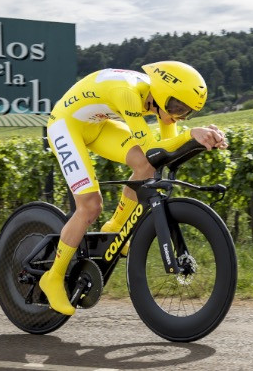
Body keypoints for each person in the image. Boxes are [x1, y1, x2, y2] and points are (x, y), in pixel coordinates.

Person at [40, 61, 228, 315]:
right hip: (66, 124)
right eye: (177, 107)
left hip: (98, 125)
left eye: (186, 113)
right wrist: (189, 135)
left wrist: (201, 139)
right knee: (90, 207)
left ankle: (115, 228)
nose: (177, 116)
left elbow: (160, 154)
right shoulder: (127, 93)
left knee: (146, 167)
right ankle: (52, 277)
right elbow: (154, 146)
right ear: (162, 93)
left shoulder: (159, 101)